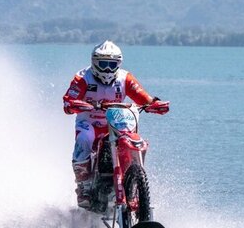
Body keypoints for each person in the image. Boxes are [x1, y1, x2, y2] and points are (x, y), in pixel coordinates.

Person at [63, 40, 169, 208]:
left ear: (119, 64)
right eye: (103, 64)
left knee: (135, 140)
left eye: (112, 64)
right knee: (85, 139)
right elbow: (69, 99)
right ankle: (83, 187)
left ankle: (134, 178)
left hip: (117, 123)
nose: (107, 69)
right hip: (89, 122)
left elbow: (143, 97)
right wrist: (72, 104)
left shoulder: (125, 78)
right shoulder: (82, 78)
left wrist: (154, 104)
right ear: (94, 63)